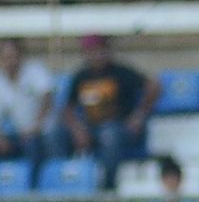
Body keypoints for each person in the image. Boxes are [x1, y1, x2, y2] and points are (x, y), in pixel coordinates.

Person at [63, 34, 162, 187]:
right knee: (55, 135)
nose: (96, 55)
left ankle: (108, 187)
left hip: (120, 127)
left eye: (100, 50)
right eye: (91, 51)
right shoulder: (81, 76)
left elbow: (154, 87)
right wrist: (77, 129)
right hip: (90, 128)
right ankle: (63, 184)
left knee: (110, 135)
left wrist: (139, 115)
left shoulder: (121, 73)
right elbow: (67, 108)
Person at [0, 37, 59, 164]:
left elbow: (47, 99)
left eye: (13, 56)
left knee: (35, 144)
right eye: (5, 58)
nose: (10, 62)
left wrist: (34, 128)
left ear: (21, 55)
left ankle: (39, 181)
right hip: (21, 134)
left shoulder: (35, 71)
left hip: (44, 131)